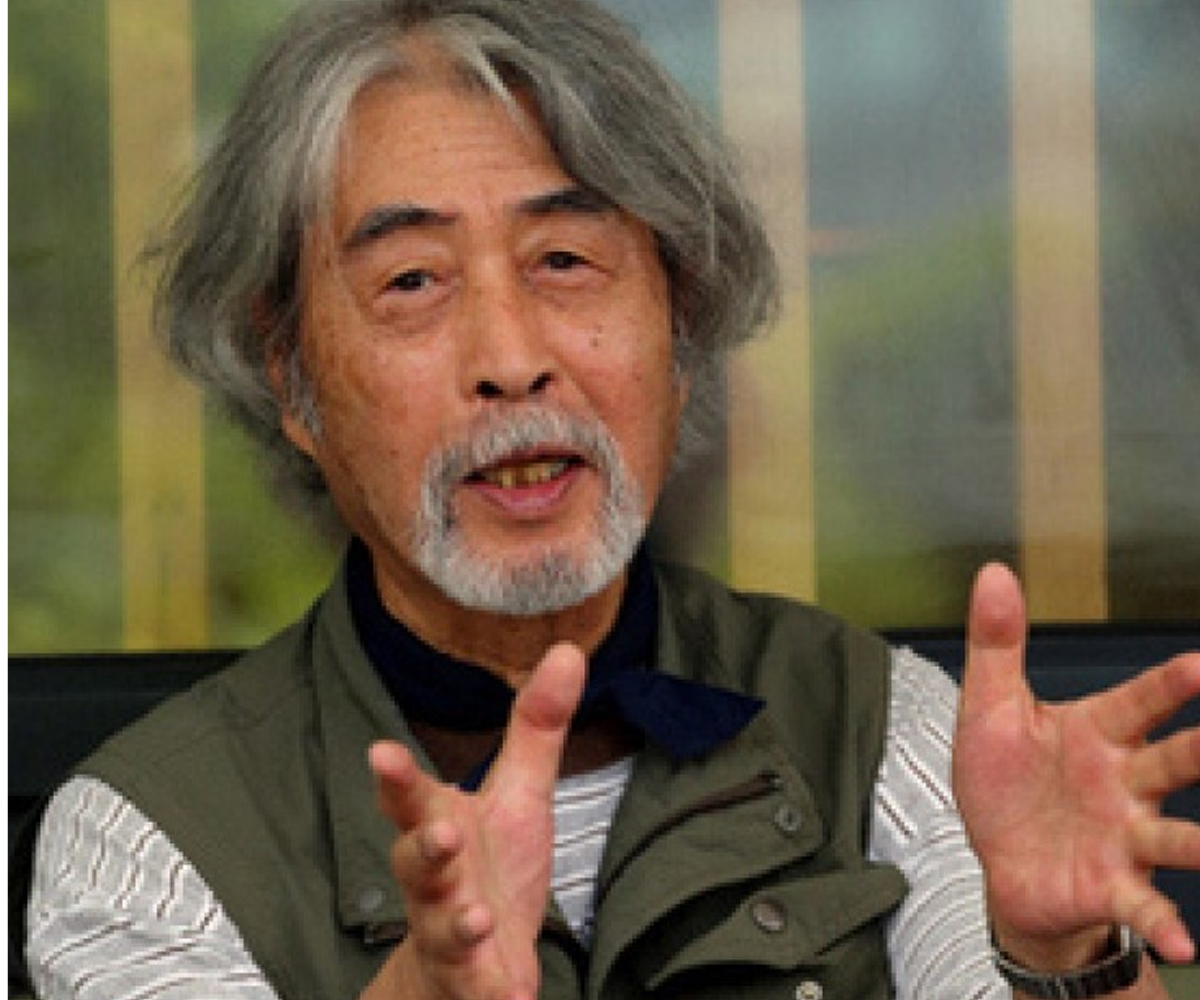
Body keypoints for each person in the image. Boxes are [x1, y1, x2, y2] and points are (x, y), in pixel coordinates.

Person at [23, 1, 1200, 998]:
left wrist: (1065, 954)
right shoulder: (147, 843)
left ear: (679, 323)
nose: (512, 357)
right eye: (413, 280)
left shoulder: (883, 730)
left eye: (565, 261)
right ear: (291, 378)